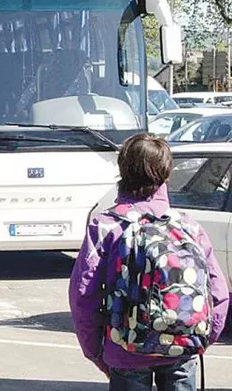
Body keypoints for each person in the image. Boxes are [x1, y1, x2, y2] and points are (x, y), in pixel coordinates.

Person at [69, 133, 229, 391]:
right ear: (166, 173)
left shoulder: (107, 227)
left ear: (123, 169)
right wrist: (201, 339)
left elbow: (83, 296)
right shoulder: (187, 226)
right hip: (182, 347)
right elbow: (219, 293)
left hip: (126, 347)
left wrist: (96, 351)